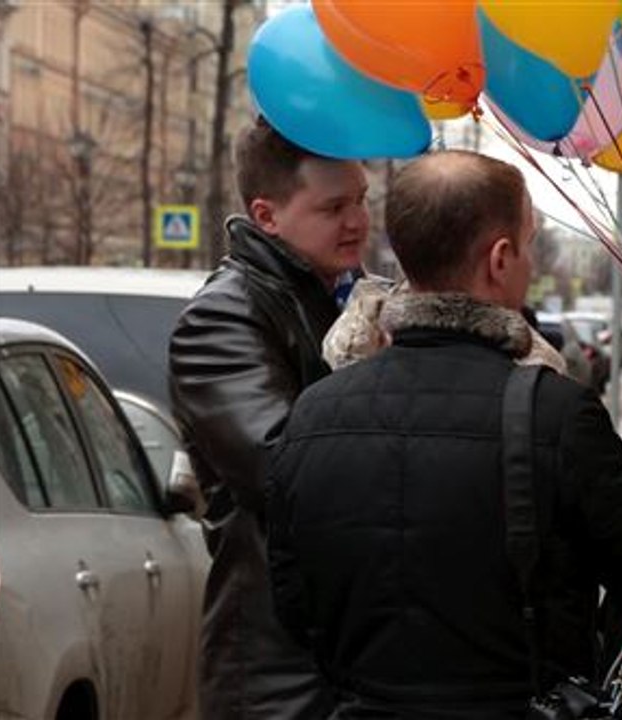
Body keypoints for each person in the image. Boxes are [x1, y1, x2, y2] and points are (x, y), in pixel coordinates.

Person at [264, 150, 622, 718]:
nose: (531, 260)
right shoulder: (554, 412)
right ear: (499, 259)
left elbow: (294, 605)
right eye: (529, 243)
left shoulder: (313, 411)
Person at [168, 118, 371, 718]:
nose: (357, 221)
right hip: (277, 677)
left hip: (342, 656)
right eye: (333, 207)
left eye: (361, 199)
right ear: (267, 215)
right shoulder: (222, 319)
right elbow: (282, 469)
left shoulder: (345, 298)